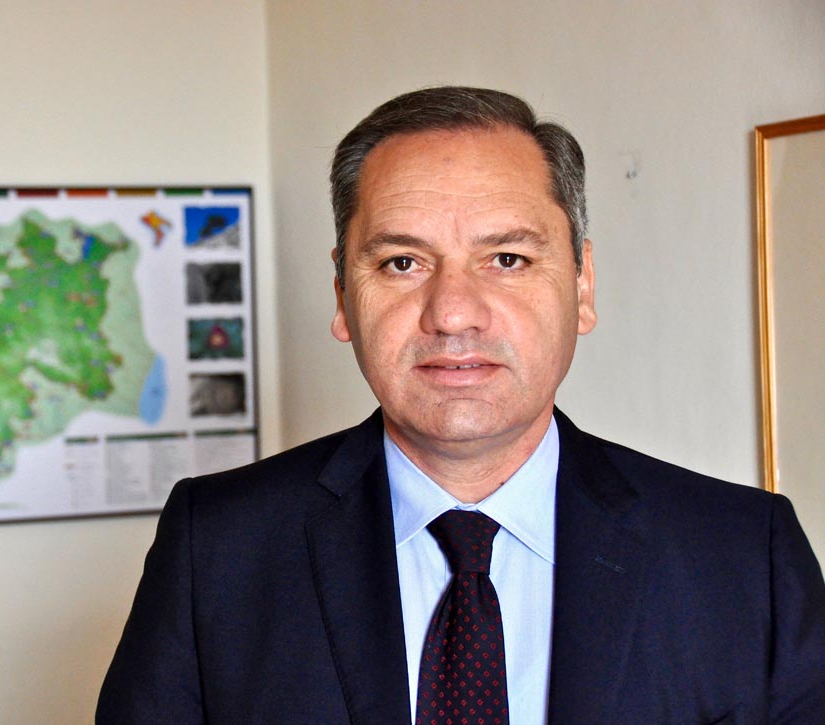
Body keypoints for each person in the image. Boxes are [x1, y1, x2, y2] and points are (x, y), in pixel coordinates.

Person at [95, 87, 825, 724]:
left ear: (582, 284)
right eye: (402, 262)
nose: (452, 313)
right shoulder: (216, 548)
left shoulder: (744, 554)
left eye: (507, 259)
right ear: (343, 294)